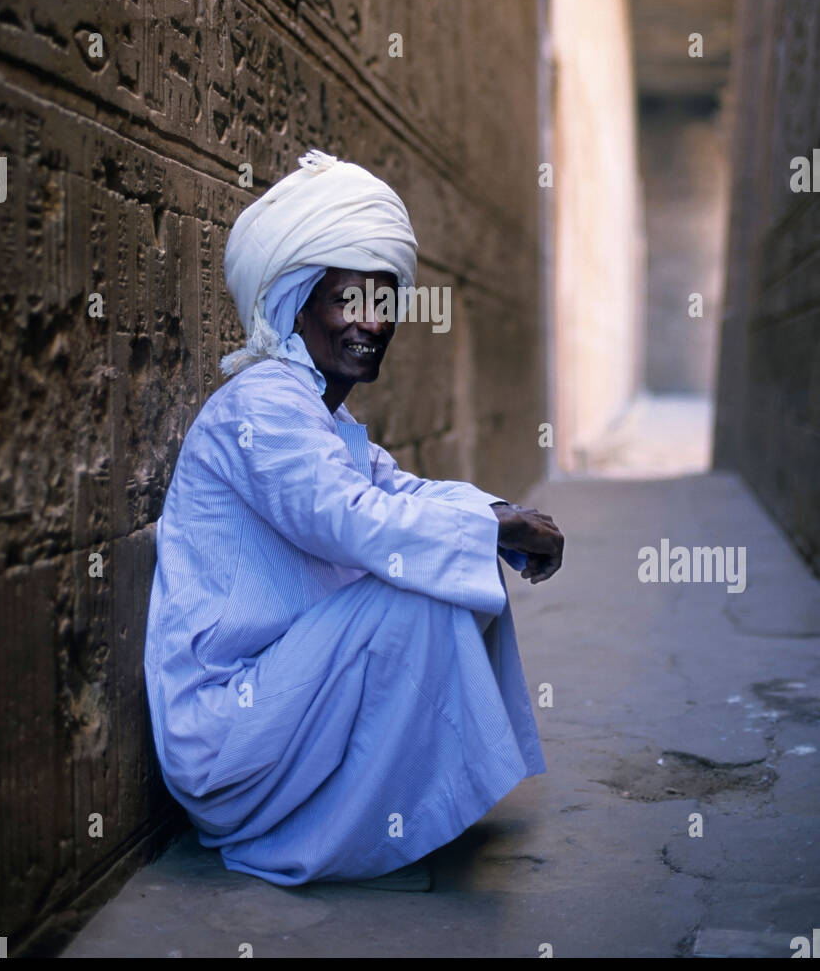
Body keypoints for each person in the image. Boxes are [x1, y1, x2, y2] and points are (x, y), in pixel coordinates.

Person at [144, 149, 564, 889]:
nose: (371, 323)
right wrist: (492, 531)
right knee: (420, 589)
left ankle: (384, 811)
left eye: (383, 302)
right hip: (224, 733)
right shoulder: (263, 404)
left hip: (277, 701)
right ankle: (341, 827)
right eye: (347, 302)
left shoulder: (320, 415)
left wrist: (500, 514)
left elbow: (400, 494)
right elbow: (345, 519)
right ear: (298, 305)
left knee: (450, 566)